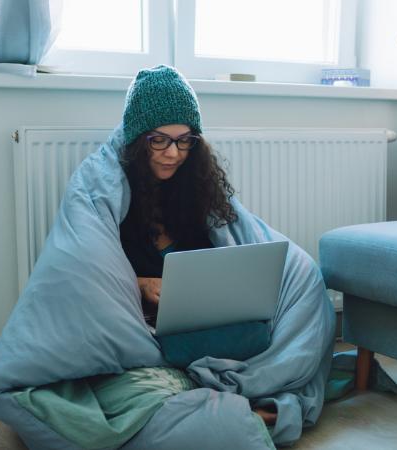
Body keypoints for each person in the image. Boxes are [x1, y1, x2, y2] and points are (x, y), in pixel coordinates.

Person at [116, 65, 277, 426]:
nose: (173, 153)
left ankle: (210, 397)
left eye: (184, 140)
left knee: (258, 333)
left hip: (201, 323)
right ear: (139, 141)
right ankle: (228, 405)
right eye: (159, 140)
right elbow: (95, 274)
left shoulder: (196, 193)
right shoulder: (119, 201)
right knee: (163, 347)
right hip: (147, 326)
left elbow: (222, 257)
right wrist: (140, 284)